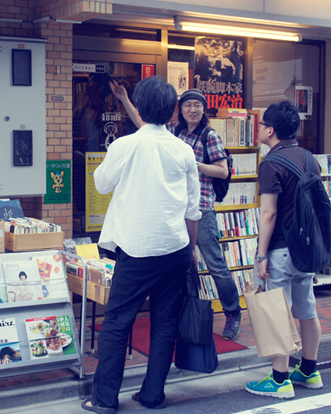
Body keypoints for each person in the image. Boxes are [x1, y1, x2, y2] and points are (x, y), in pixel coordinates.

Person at [81, 76, 201, 414]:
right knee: (165, 323)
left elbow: (101, 184)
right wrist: (191, 250)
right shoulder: (183, 150)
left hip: (137, 251)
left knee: (118, 322)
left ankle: (104, 399)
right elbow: (194, 209)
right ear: (172, 110)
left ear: (142, 106)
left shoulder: (125, 145)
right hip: (176, 249)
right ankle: (152, 395)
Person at [109, 82, 242, 341]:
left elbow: (223, 171)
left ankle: (232, 311)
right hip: (175, 209)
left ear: (204, 110)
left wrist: (193, 164)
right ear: (178, 109)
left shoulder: (209, 136)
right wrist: (125, 99)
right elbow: (144, 125)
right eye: (188, 105)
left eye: (198, 105)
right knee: (182, 266)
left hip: (201, 208)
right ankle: (183, 311)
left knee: (214, 263)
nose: (193, 109)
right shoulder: (173, 130)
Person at [245, 101, 323, 399]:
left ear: (271, 130)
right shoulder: (309, 158)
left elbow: (268, 214)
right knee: (306, 309)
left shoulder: (271, 163)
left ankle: (279, 380)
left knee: (279, 313)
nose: (260, 128)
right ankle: (308, 370)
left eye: (262, 124)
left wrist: (261, 254)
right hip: (306, 251)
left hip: (280, 250)